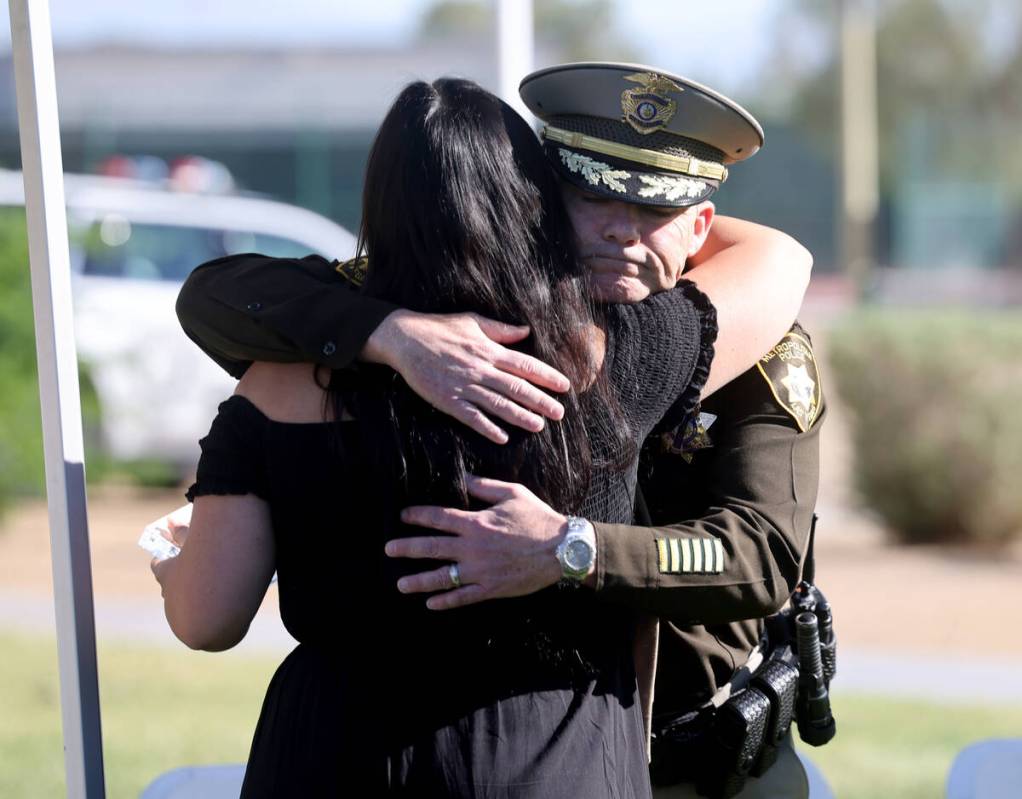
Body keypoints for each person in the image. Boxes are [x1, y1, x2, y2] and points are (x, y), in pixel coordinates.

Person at [154, 76, 807, 798]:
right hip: (557, 752)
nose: (624, 229)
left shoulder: (283, 372)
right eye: (593, 196)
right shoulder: (618, 355)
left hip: (684, 742)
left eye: (657, 207)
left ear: (700, 221)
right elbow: (782, 261)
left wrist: (573, 546)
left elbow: (758, 557)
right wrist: (391, 334)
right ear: (538, 204)